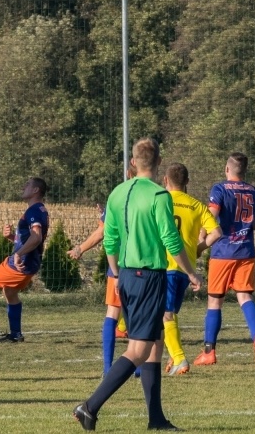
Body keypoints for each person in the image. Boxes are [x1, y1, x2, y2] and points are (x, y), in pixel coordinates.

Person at [73, 138, 203, 432]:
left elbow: (110, 240)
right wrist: (192, 274)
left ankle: (156, 419)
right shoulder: (159, 195)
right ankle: (89, 407)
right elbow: (171, 240)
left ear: (133, 163)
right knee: (138, 350)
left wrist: (116, 274)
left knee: (155, 346)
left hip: (128, 276)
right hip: (150, 278)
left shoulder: (117, 193)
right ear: (158, 164)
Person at [195, 152, 255, 367]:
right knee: (245, 298)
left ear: (227, 169)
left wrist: (201, 239)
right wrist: (243, 225)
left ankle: (209, 351)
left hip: (223, 253)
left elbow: (211, 217)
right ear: (244, 171)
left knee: (215, 302)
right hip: (246, 252)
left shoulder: (219, 189)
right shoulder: (252, 190)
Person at [67, 167, 135, 376]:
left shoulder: (117, 196)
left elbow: (102, 233)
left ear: (127, 173)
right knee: (139, 315)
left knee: (113, 313)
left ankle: (108, 368)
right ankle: (140, 367)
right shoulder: (154, 193)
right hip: (146, 263)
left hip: (121, 264)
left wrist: (80, 249)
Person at [0, 177, 49, 343]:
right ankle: (15, 334)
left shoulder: (34, 211)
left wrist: (18, 254)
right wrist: (12, 237)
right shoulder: (39, 210)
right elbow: (30, 239)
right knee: (10, 292)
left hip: (20, 263)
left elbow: (36, 238)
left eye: (27, 185)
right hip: (29, 262)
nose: (23, 186)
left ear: (35, 190)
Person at [162, 163, 221, 376]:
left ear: (165, 180)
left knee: (165, 314)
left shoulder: (161, 200)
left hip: (165, 264)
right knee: (171, 313)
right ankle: (172, 354)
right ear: (187, 182)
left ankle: (179, 358)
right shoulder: (197, 206)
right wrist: (197, 249)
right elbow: (216, 233)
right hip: (185, 268)